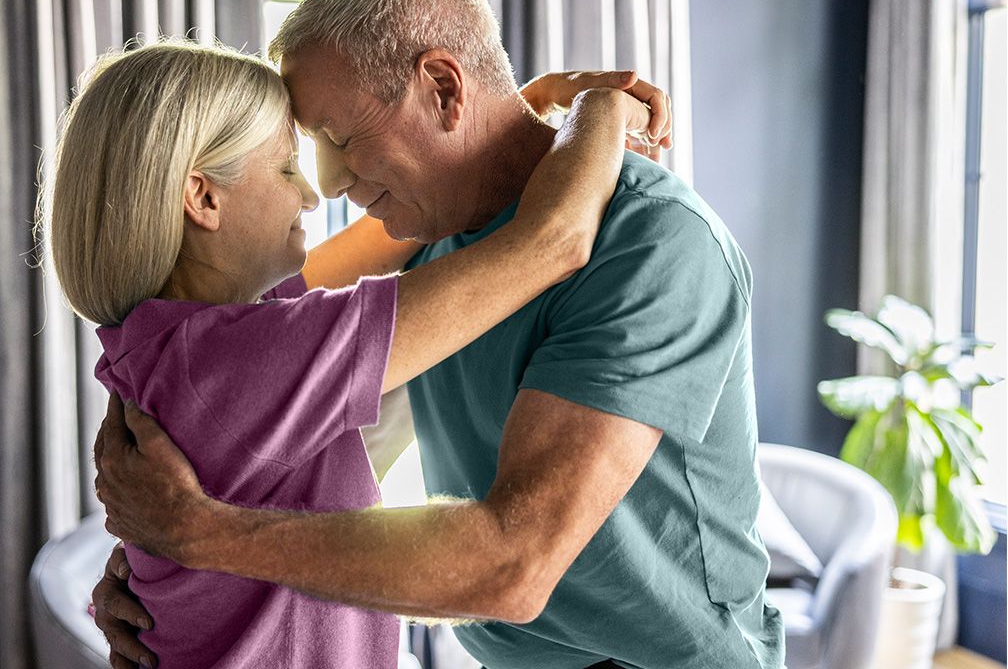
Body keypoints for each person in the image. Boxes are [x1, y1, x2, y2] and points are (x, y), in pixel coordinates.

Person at [92, 0, 784, 669]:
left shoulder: (654, 243)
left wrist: (201, 538)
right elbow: (282, 441)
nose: (324, 186)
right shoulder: (429, 240)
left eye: (340, 140)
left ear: (445, 90)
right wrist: (169, 581)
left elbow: (512, 566)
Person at [43, 35, 662, 668]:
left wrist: (507, 118)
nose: (312, 196)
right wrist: (601, 108)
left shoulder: (177, 348)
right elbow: (552, 241)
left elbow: (398, 230)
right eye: (287, 168)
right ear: (204, 198)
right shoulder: (248, 360)